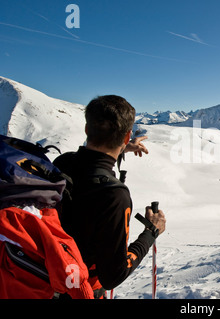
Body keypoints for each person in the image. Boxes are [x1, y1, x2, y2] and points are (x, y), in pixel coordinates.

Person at [53, 95, 166, 298]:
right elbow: (113, 276)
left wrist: (123, 147)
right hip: (83, 289)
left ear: (87, 129)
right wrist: (151, 232)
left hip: (48, 281)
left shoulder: (62, 163)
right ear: (126, 136)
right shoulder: (114, 195)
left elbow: (90, 162)